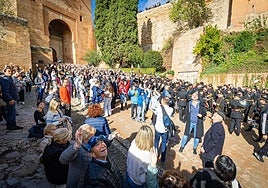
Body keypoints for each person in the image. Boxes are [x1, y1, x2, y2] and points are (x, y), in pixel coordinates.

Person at [179, 90, 207, 154]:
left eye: (196, 95)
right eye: (193, 95)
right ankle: (182, 146)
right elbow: (186, 112)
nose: (194, 96)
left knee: (196, 136)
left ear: (198, 96)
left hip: (198, 122)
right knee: (186, 135)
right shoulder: (189, 104)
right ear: (191, 96)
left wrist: (202, 115)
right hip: (190, 122)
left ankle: (194, 148)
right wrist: (184, 119)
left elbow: (205, 113)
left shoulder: (201, 104)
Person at [0, 66, 22, 130]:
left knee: (13, 113)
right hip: (9, 99)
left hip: (12, 98)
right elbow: (5, 91)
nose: (10, 72)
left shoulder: (9, 78)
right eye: (8, 71)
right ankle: (11, 126)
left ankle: (13, 124)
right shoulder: (4, 79)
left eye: (11, 71)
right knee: (11, 113)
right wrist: (10, 99)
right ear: (4, 72)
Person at [154, 95, 173, 162]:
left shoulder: (159, 107)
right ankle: (163, 158)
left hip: (158, 128)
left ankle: (155, 154)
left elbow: (155, 113)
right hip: (165, 129)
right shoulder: (171, 109)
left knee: (156, 141)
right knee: (164, 143)